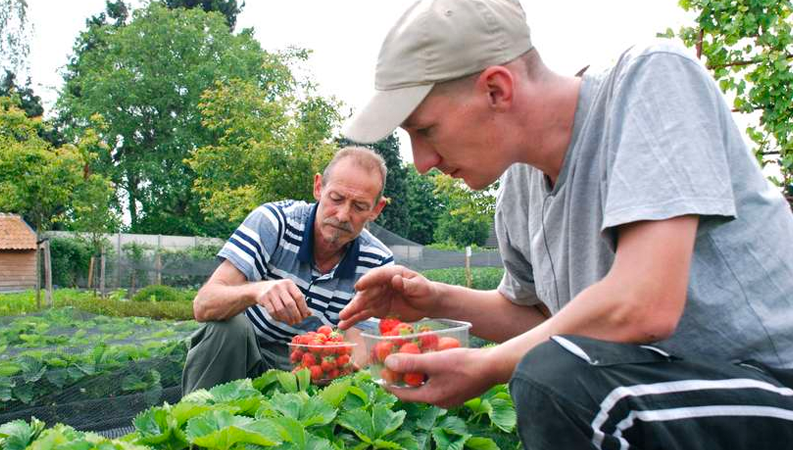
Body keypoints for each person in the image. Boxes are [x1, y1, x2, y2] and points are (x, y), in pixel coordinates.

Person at [337, 0, 793, 448]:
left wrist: (490, 364)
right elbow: (542, 321)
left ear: (496, 89)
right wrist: (436, 299)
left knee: (552, 376)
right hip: (665, 396)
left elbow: (644, 302)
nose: (420, 162)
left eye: (426, 130)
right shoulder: (518, 189)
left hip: (772, 384)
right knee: (555, 365)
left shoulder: (651, 78)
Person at [182, 146, 394, 394]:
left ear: (376, 210)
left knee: (359, 372)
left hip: (307, 370)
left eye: (359, 206)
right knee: (226, 328)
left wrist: (341, 365)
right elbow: (204, 304)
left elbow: (357, 342)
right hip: (247, 350)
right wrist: (257, 291)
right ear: (318, 188)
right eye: (336, 198)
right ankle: (196, 424)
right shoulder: (274, 222)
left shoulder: (377, 262)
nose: (343, 215)